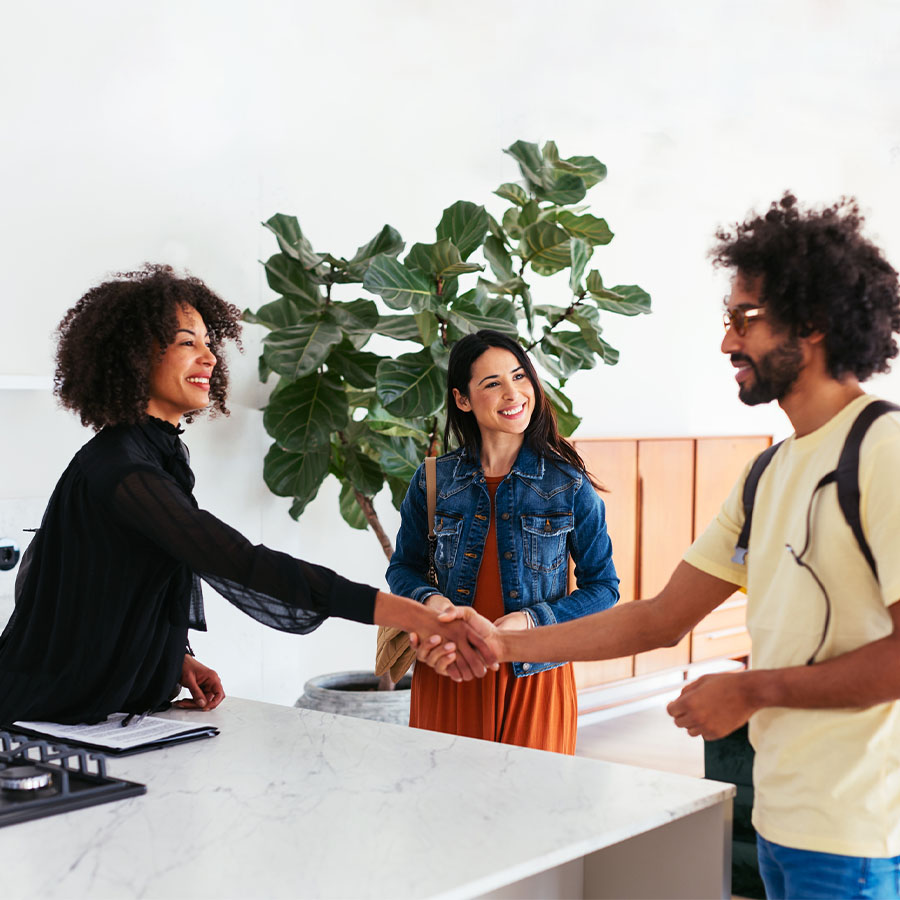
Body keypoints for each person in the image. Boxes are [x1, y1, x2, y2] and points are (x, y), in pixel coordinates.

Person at [417, 194, 900, 898]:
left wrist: (750, 688)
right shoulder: (768, 473)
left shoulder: (883, 452)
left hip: (857, 838)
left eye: (745, 319)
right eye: (727, 320)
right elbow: (658, 618)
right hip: (783, 820)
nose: (728, 342)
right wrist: (497, 645)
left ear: (814, 321)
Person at [0, 265, 494, 726]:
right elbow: (239, 561)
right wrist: (417, 615)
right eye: (186, 342)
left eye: (209, 342)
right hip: (49, 714)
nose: (210, 357)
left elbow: (117, 578)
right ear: (134, 354)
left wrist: (176, 659)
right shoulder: (122, 468)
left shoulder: (154, 453)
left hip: (112, 713)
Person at [387, 330, 619, 754]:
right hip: (449, 671)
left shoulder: (568, 483)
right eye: (492, 383)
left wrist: (531, 620)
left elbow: (604, 588)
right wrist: (435, 605)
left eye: (519, 377)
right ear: (462, 399)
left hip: (533, 674)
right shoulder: (435, 479)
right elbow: (403, 568)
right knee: (443, 805)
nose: (513, 393)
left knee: (530, 811)